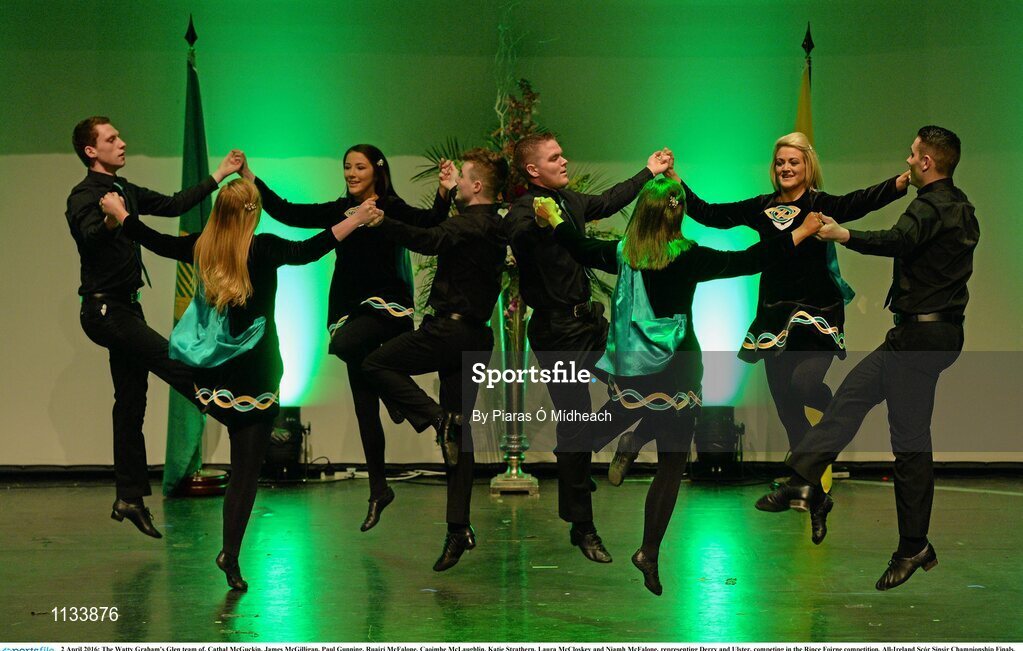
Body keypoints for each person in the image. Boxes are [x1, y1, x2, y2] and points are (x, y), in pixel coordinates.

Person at [536, 176, 821, 594]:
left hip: (634, 371)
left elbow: (579, 247)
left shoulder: (622, 255)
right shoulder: (689, 257)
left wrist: (556, 218)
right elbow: (750, 259)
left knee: (588, 434)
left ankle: (601, 471)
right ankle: (648, 550)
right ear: (679, 213)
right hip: (679, 372)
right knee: (671, 465)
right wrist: (801, 232)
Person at [103, 178, 381, 590]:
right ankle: (229, 554)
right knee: (245, 473)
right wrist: (356, 219)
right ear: (253, 212)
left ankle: (220, 548)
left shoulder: (202, 247)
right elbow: (308, 251)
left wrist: (123, 216)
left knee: (172, 370)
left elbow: (158, 242)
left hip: (214, 376)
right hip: (257, 373)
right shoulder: (264, 247)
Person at [603, 134, 909, 481]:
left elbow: (860, 202)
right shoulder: (761, 206)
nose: (786, 168)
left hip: (817, 309)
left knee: (804, 385)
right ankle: (807, 490)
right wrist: (678, 182)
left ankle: (840, 413)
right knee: (787, 407)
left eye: (794, 162)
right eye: (780, 162)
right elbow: (711, 214)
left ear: (808, 166)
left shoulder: (821, 205)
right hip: (774, 312)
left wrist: (898, 184)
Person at [756, 126, 978, 592]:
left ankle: (805, 481)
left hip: (918, 340)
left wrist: (842, 234)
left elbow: (896, 240)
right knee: (893, 427)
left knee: (860, 405)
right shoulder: (962, 208)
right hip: (933, 336)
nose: (907, 157)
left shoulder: (930, 206)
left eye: (912, 152)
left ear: (926, 163)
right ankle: (904, 540)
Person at [240, 147, 454, 532]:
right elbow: (287, 211)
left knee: (343, 347)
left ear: (378, 170)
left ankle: (410, 404)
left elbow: (431, 222)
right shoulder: (340, 210)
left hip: (387, 308)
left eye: (360, 167)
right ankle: (378, 490)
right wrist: (250, 176)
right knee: (363, 407)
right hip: (346, 311)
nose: (352, 173)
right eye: (347, 167)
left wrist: (444, 191)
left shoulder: (389, 206)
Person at [66, 115, 242, 538]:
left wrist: (218, 174)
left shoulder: (124, 190)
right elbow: (89, 238)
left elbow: (175, 204)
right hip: (104, 312)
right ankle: (226, 406)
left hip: (127, 308)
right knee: (170, 358)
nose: (122, 142)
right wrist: (113, 219)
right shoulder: (83, 195)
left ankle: (128, 497)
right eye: (111, 138)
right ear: (92, 151)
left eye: (119, 134)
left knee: (131, 402)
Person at [504, 132, 672, 563]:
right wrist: (539, 225)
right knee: (574, 425)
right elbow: (519, 238)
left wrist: (648, 171)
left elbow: (609, 200)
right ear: (532, 170)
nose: (564, 161)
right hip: (556, 333)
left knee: (645, 378)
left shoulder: (571, 202)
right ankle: (583, 527)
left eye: (562, 153)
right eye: (554, 157)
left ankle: (584, 457)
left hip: (590, 324)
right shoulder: (523, 210)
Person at [359, 148, 510, 571]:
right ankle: (457, 527)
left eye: (463, 177)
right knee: (459, 438)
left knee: (375, 365)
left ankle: (436, 418)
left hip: (449, 331)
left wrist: (382, 221)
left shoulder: (469, 225)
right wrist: (444, 194)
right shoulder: (492, 225)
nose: (458, 180)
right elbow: (441, 230)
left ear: (477, 186)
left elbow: (427, 240)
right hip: (477, 337)